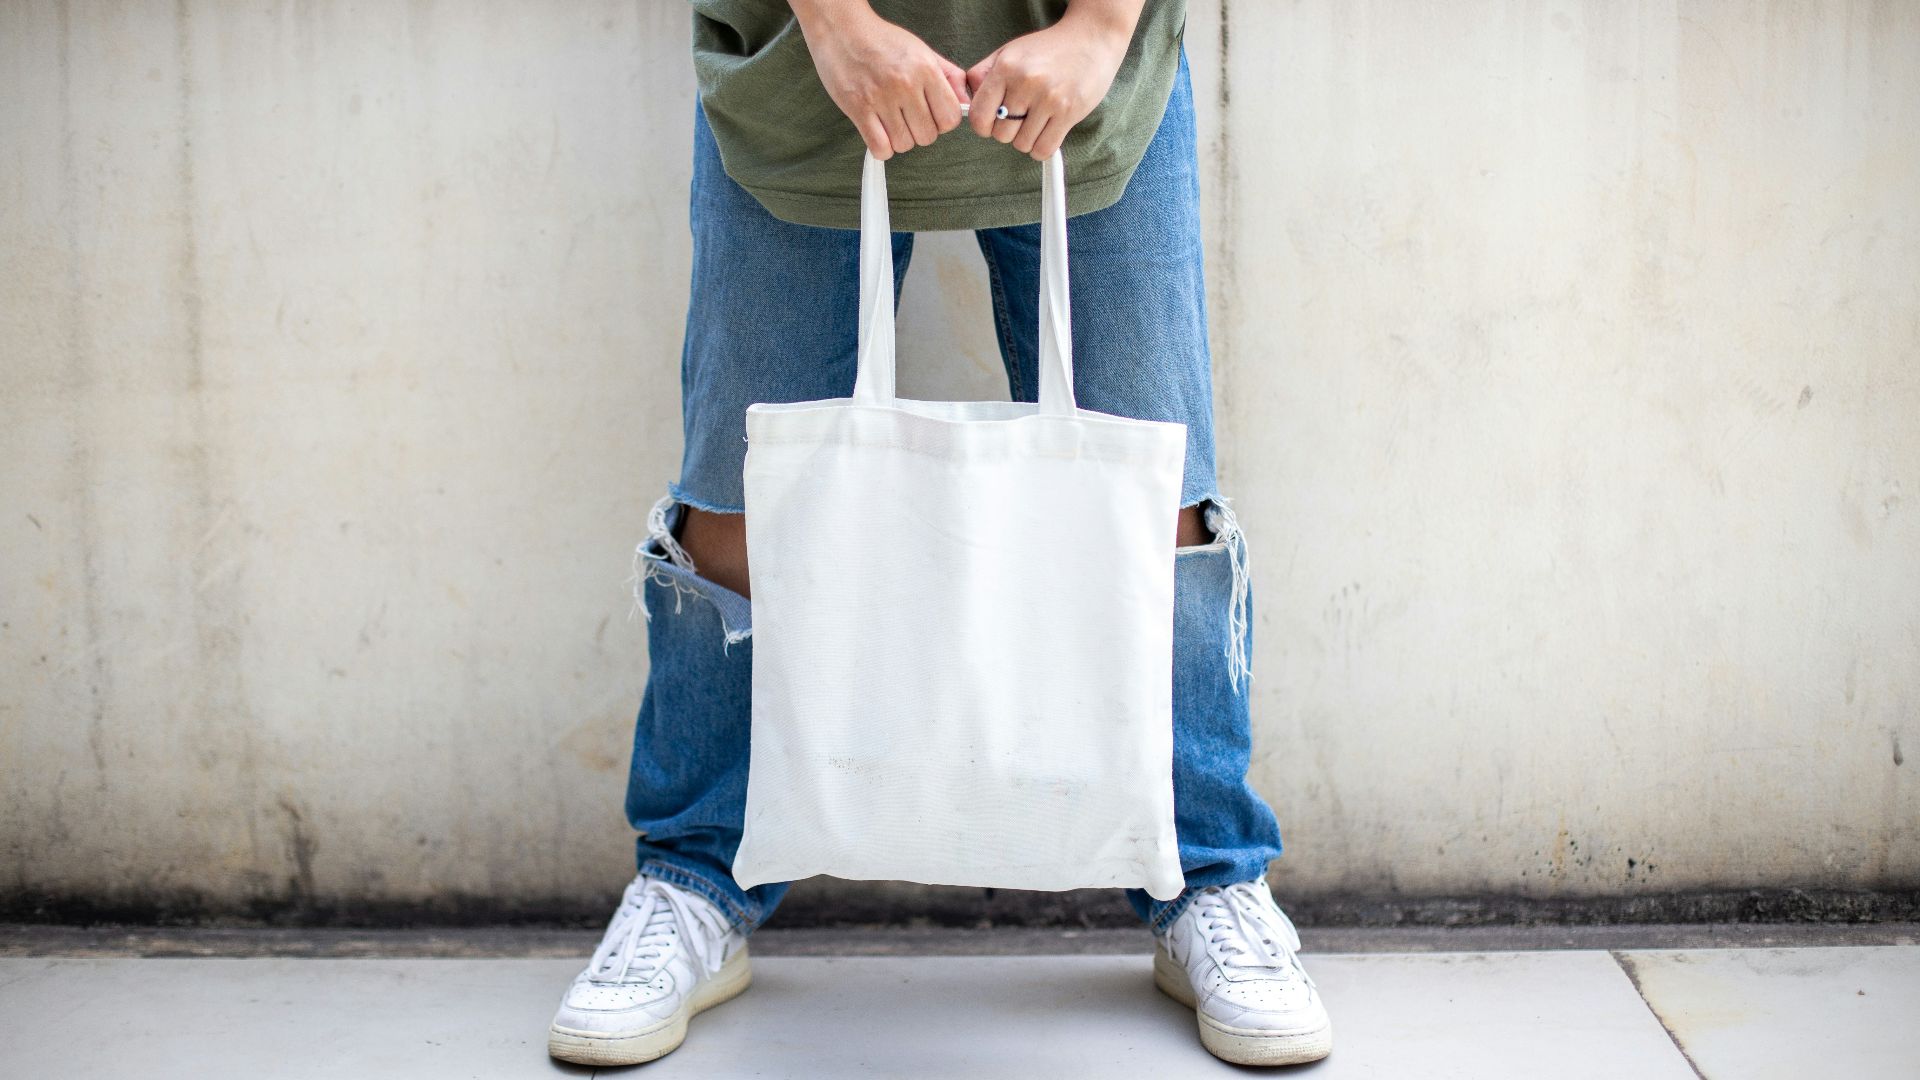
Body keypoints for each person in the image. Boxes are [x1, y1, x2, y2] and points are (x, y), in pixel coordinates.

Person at [546, 0, 1332, 1068]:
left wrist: (1100, 29)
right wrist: (833, 24)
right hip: (798, 71)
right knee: (735, 503)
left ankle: (1207, 874)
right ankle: (695, 875)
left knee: (1159, 501)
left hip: (1091, 81)